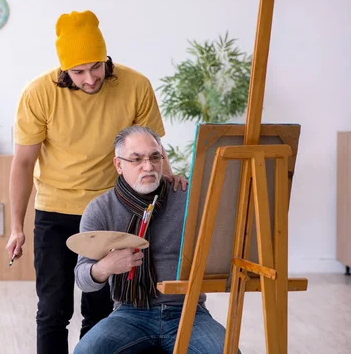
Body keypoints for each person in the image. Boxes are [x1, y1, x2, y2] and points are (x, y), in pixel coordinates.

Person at [5, 9, 188, 354]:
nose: (90, 78)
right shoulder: (38, 94)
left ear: (106, 59)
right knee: (53, 310)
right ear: (64, 70)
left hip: (112, 211)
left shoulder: (136, 86)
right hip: (56, 210)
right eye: (78, 72)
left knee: (103, 311)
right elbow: (24, 162)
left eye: (96, 66)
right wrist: (17, 226)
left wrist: (166, 176)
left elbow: (149, 146)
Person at [73, 125, 234, 354]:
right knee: (86, 352)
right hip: (130, 313)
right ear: (119, 164)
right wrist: (104, 267)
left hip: (188, 311)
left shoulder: (188, 197)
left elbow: (224, 243)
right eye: (136, 159)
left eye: (154, 157)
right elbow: (82, 278)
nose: (148, 166)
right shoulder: (100, 209)